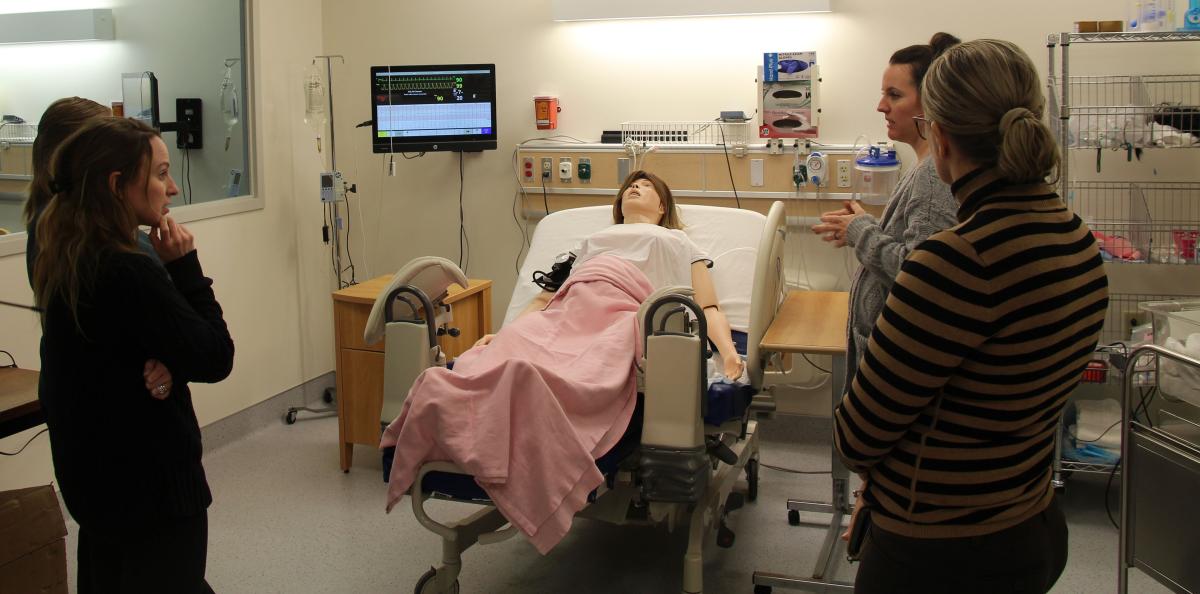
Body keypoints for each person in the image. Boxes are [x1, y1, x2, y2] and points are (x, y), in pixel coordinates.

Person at [833, 39, 1109, 594]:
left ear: (938, 133)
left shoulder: (958, 261)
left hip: (941, 550)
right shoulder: (1075, 238)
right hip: (1028, 520)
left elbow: (859, 435)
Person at [32, 117, 235, 593]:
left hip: (99, 497)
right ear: (117, 185)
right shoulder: (127, 271)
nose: (174, 188)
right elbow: (215, 356)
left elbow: (101, 367)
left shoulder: (65, 259)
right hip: (154, 500)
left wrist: (166, 366)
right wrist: (186, 268)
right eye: (162, 173)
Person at [482, 170, 744, 379]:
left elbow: (707, 307)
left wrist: (729, 353)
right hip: (575, 311)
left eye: (646, 186)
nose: (634, 188)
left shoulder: (679, 240)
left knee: (595, 358)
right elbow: (544, 301)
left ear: (662, 207)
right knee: (511, 351)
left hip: (631, 315)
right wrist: (508, 331)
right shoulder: (589, 242)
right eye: (630, 186)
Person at [812, 33, 960, 391]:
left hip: (900, 364)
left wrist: (861, 230)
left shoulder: (933, 178)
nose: (881, 106)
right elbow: (923, 247)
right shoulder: (924, 166)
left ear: (932, 102)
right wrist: (864, 226)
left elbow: (918, 276)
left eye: (894, 95)